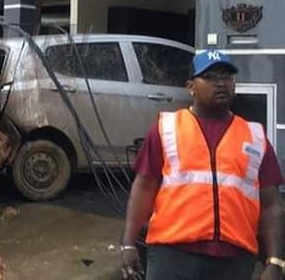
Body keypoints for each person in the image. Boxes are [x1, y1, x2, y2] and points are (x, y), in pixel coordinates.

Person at [121, 50, 284, 280]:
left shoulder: (254, 136)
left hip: (234, 260)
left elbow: (271, 204)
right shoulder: (166, 129)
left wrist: (275, 260)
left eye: (227, 77)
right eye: (210, 77)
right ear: (191, 87)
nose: (221, 84)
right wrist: (128, 243)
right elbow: (144, 188)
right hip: (172, 255)